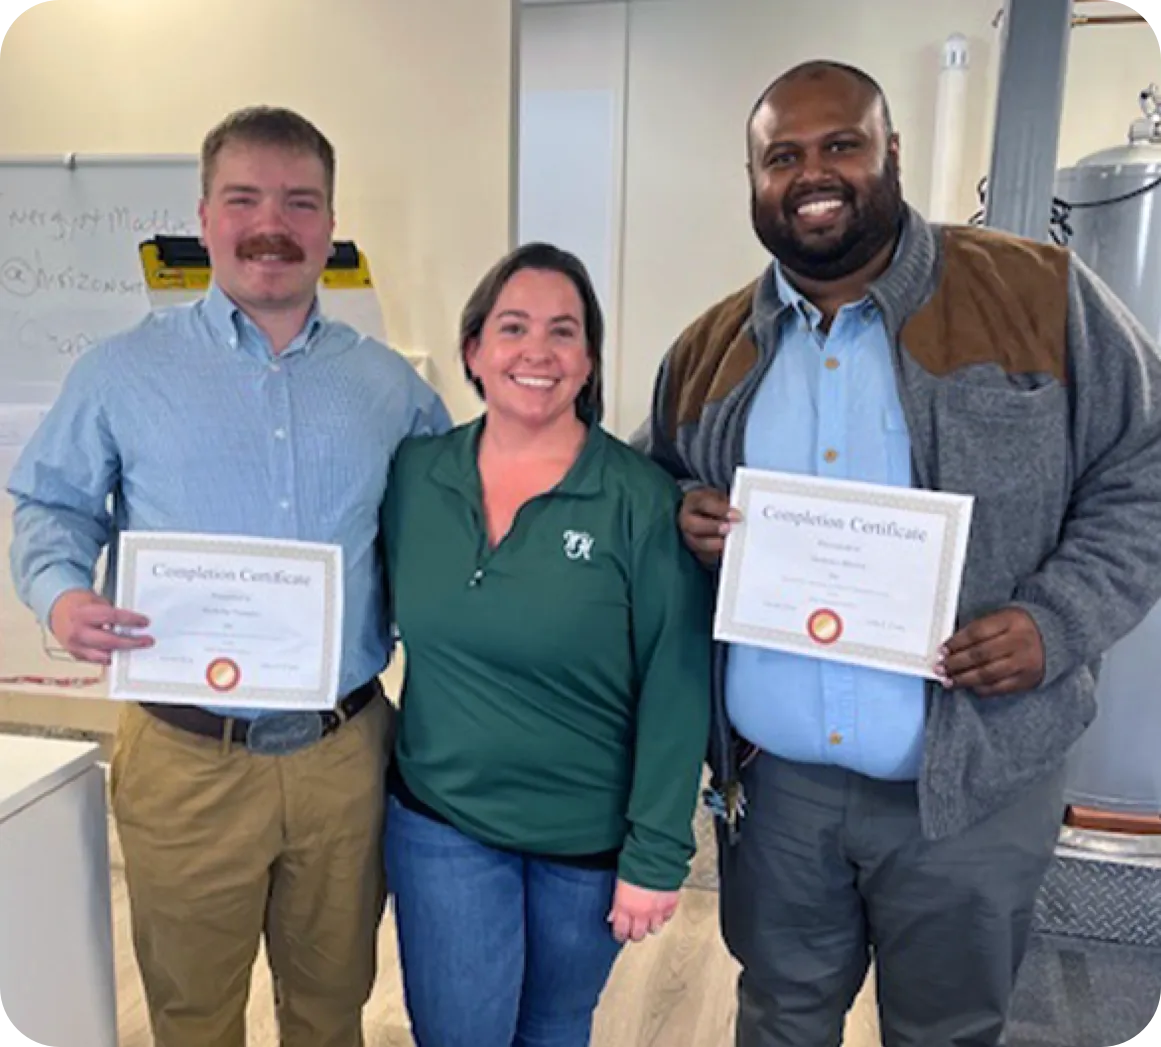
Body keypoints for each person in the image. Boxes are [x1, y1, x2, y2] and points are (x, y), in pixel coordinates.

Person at [640, 60, 1161, 1047]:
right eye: (781, 156)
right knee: (782, 1019)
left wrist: (1057, 625)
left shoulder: (1036, 295)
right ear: (752, 181)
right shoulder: (712, 349)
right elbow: (644, 484)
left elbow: (1147, 465)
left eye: (842, 144)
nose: (813, 172)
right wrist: (678, 511)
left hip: (971, 788)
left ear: (892, 156)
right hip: (779, 790)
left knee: (949, 1030)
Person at [7, 105, 450, 1047]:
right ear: (203, 216)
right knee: (192, 1015)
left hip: (345, 755)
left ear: (330, 226)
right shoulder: (120, 372)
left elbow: (446, 538)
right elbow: (52, 507)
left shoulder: (392, 390)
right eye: (243, 197)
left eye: (300, 201)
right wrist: (61, 591)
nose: (271, 224)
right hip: (183, 761)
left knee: (332, 1011)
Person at [380, 241, 712, 1047]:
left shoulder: (638, 500)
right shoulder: (414, 476)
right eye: (513, 327)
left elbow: (677, 681)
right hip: (443, 820)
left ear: (589, 359)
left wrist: (656, 853)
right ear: (474, 350)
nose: (537, 351)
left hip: (587, 840)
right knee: (458, 1033)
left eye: (563, 331)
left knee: (554, 1029)